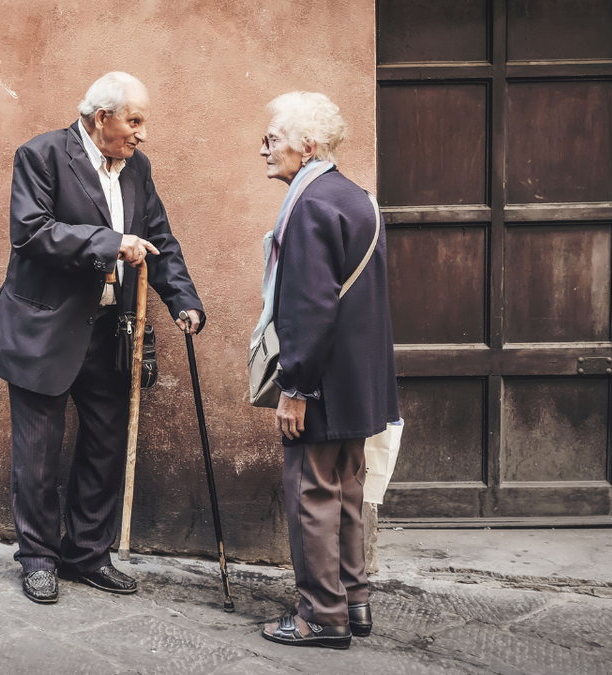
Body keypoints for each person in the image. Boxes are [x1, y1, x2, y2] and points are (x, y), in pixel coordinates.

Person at [0, 72, 205, 604]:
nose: (142, 134)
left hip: (110, 331)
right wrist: (110, 242)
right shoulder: (40, 155)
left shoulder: (138, 169)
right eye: (135, 121)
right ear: (101, 117)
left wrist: (184, 300)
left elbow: (159, 239)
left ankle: (87, 553)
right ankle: (38, 557)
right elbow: (32, 232)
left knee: (105, 448)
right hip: (44, 330)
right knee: (36, 456)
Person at [255, 92, 399, 649]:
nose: (263, 148)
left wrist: (296, 387)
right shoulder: (357, 196)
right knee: (345, 491)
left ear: (307, 146)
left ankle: (321, 615)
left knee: (312, 493)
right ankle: (354, 601)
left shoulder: (309, 203)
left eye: (273, 139)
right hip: (357, 382)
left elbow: (310, 306)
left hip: (321, 383)